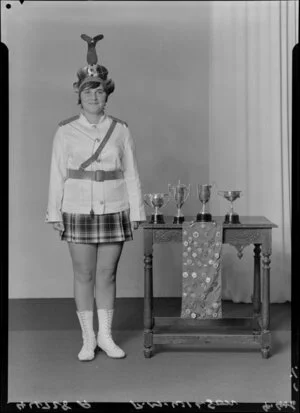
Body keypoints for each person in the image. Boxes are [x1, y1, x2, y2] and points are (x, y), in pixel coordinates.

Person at [45, 34, 146, 361]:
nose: (94, 95)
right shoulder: (65, 131)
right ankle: (88, 339)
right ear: (79, 95)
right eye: (88, 90)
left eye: (99, 90)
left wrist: (137, 210)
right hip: (77, 209)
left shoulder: (121, 130)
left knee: (108, 274)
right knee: (84, 274)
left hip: (115, 207)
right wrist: (53, 213)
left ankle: (106, 336)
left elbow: (131, 172)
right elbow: (57, 173)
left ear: (107, 94)